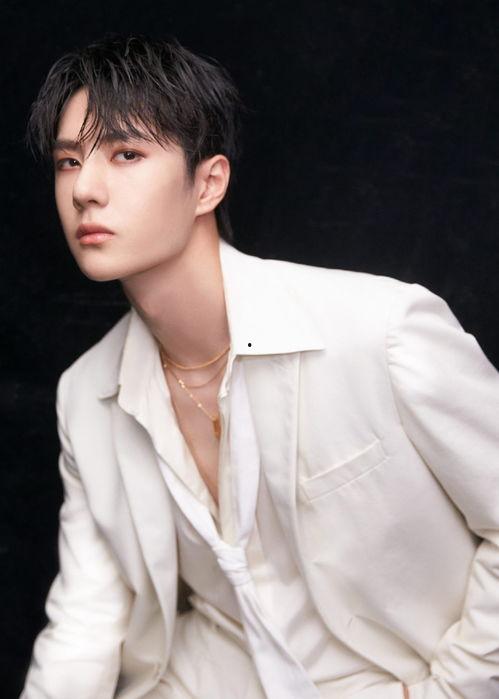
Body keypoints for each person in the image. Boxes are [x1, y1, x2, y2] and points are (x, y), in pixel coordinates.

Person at [20, 34, 499, 699]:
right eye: (68, 161)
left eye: (126, 154)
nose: (84, 190)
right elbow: (87, 618)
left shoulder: (380, 331)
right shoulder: (86, 393)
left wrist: (454, 689)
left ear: (207, 183)